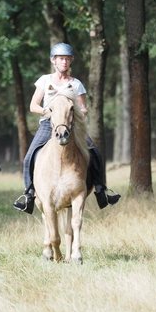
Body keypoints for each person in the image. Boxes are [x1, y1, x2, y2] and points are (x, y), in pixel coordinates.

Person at [13, 43, 120, 214]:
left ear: (71, 62)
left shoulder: (76, 83)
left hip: (71, 125)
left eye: (67, 59)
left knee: (95, 153)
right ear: (53, 61)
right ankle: (29, 195)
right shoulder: (44, 80)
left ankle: (101, 190)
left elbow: (84, 108)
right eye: (61, 58)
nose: (64, 62)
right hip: (49, 124)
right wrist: (48, 112)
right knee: (29, 158)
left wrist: (76, 113)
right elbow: (33, 105)